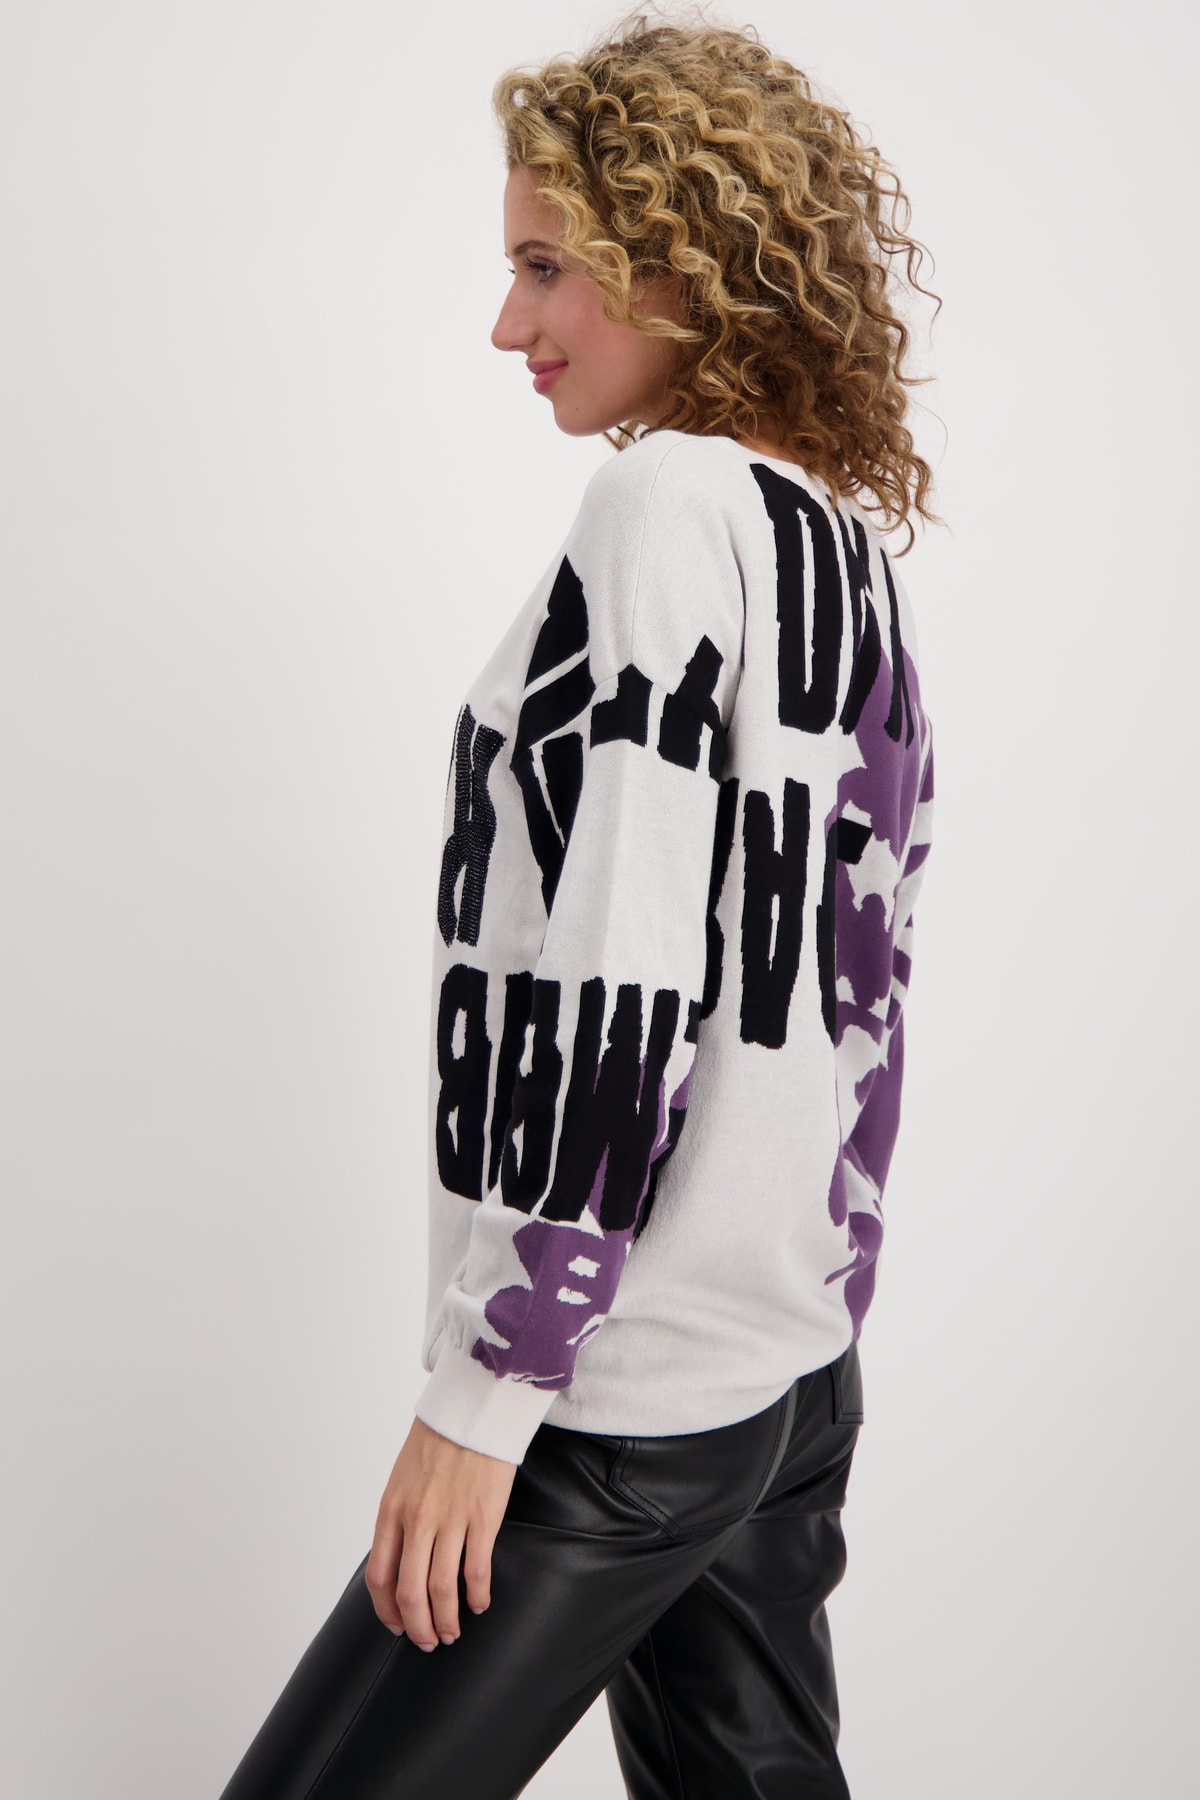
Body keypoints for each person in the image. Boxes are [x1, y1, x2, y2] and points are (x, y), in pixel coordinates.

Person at [217, 9, 941, 1797]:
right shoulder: (825, 534)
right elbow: (855, 989)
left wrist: (490, 1392)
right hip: (784, 1365)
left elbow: (624, 979)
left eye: (547, 268)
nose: (508, 322)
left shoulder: (664, 507)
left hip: (614, 1382)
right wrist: (813, 1309)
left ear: (684, 263)